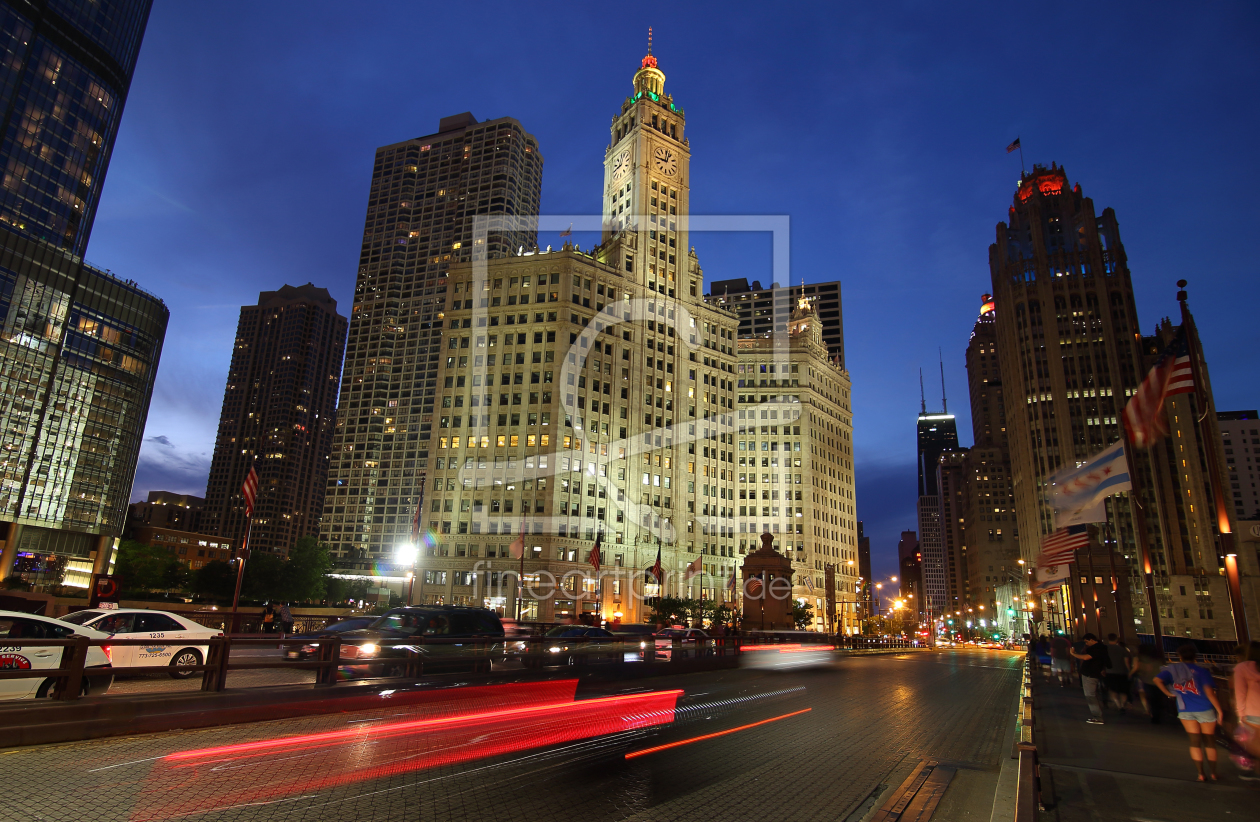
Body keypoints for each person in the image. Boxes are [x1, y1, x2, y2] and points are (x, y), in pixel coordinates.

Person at [1155, 643, 1226, 782]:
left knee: (1194, 742)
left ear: (1179, 656)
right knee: (1209, 741)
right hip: (1205, 708)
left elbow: (1157, 679)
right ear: (1195, 656)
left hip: (1185, 709)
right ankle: (1213, 773)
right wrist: (1219, 711)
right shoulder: (1202, 672)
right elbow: (1210, 693)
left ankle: (1200, 774)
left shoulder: (1173, 670)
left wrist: (1168, 693)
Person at [1232, 640, 1260, 782]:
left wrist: (1240, 715)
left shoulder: (1243, 668)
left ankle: (1256, 771)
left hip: (1253, 713)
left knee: (1254, 745)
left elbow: (1240, 693)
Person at [1070, 633, 1109, 724]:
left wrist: (1073, 654)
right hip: (1093, 673)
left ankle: (1097, 717)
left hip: (1090, 674)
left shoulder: (1096, 649)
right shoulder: (1101, 647)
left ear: (1092, 640)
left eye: (1087, 642)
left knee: (1090, 696)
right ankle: (1097, 715)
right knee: (1092, 695)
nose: (1086, 644)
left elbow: (1086, 657)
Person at [1134, 644, 1167, 724]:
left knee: (1151, 699)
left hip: (1147, 681)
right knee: (1158, 699)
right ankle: (1158, 715)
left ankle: (1154, 716)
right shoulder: (1158, 659)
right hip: (1159, 681)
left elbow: (1139, 669)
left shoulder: (1141, 658)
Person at [1103, 633, 1134, 711]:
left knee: (1112, 690)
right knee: (1123, 690)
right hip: (1122, 672)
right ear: (1116, 639)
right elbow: (1126, 662)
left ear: (1108, 639)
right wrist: (1129, 672)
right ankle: (1123, 704)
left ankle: (1118, 704)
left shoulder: (1104, 649)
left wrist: (1102, 670)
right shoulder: (1122, 649)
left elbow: (1102, 661)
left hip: (1109, 672)